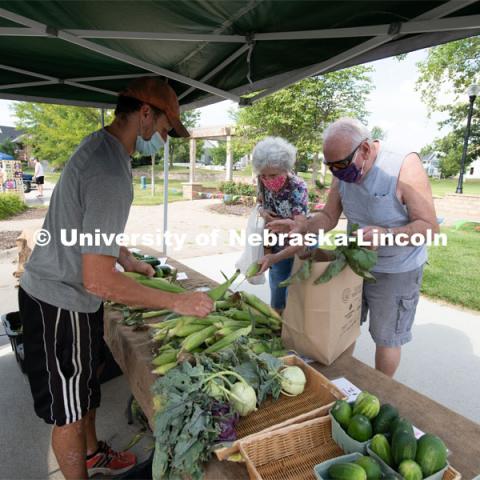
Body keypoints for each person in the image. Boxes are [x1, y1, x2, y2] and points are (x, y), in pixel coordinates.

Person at [18, 76, 214, 479]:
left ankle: (94, 454)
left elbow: (88, 231)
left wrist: (127, 258)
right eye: (163, 130)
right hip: (60, 301)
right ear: (145, 113)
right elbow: (99, 281)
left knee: (85, 388)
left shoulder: (101, 146)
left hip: (71, 294)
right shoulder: (109, 171)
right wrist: (179, 302)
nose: (163, 139)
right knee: (69, 413)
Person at [269, 118, 439, 377]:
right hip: (354, 263)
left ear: (366, 150)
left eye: (340, 165)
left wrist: (388, 235)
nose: (337, 173)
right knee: (343, 324)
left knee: (387, 337)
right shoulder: (342, 169)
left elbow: (428, 227)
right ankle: (340, 381)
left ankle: (380, 392)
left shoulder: (403, 165)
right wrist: (302, 227)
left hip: (396, 269)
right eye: (330, 167)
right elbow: (328, 217)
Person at [253, 137, 308, 314]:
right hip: (275, 245)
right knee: (277, 293)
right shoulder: (262, 181)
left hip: (299, 247)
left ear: (285, 169)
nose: (268, 180)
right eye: (264, 175)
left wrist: (273, 258)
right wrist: (262, 212)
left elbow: (300, 237)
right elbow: (260, 204)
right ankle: (277, 329)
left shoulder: (297, 187)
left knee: (297, 296)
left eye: (273, 175)